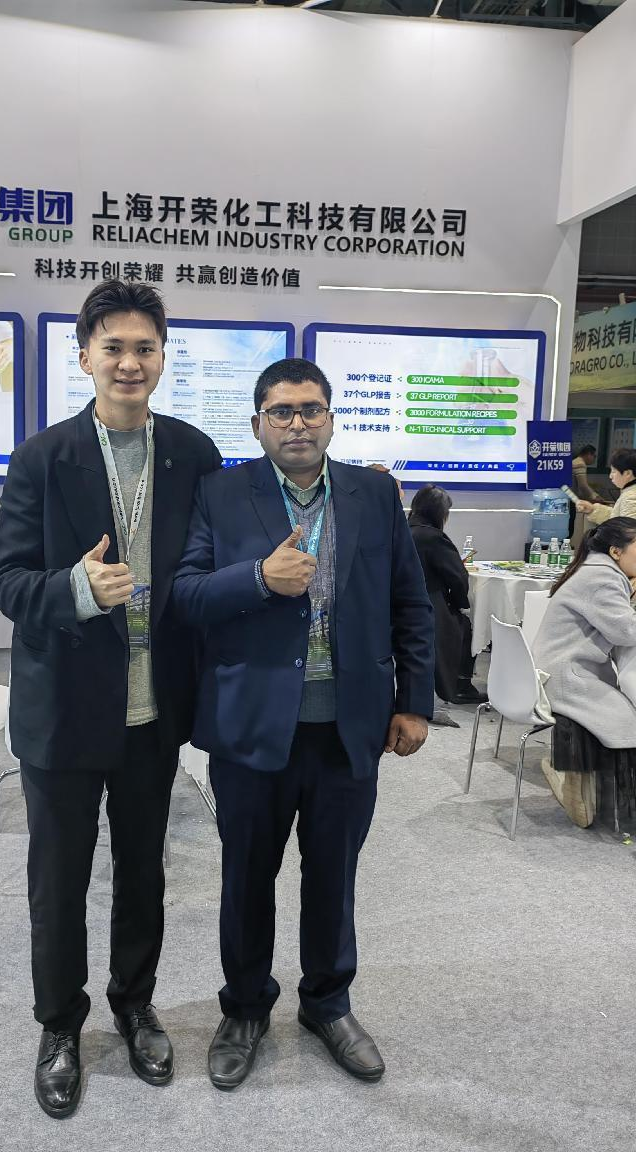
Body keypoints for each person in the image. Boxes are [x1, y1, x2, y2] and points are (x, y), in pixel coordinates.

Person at [0, 281, 222, 1119]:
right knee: (58, 880)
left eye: (144, 348)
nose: (129, 362)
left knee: (143, 872)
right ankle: (60, 1025)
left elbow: (208, 568)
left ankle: (133, 1003)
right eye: (113, 347)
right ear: (84, 355)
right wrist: (76, 590)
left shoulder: (194, 452)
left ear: (162, 357)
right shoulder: (43, 457)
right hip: (64, 709)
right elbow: (7, 582)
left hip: (152, 710)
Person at [172, 357, 434, 1090]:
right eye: (281, 411)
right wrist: (259, 578)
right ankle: (244, 1008)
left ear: (330, 418)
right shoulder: (221, 493)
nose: (297, 423)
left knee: (333, 876)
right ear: (257, 423)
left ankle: (328, 1003)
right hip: (254, 730)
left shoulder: (373, 494)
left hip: (348, 728)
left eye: (311, 409)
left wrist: (414, 701)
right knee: (246, 877)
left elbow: (410, 603)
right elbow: (185, 594)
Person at [532, 518, 636, 826]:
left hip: (561, 670)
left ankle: (581, 784)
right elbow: (626, 632)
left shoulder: (596, 570)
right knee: (628, 721)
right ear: (616, 551)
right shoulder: (602, 578)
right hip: (567, 677)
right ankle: (578, 786)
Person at [407, 485, 487, 706]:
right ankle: (461, 686)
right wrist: (460, 603)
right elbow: (458, 577)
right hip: (428, 606)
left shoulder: (403, 531)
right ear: (439, 512)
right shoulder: (434, 537)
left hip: (400, 606)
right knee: (467, 625)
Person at [576, 447, 636, 525]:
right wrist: (592, 509)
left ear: (628, 473)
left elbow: (628, 529)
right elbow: (617, 517)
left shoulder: (630, 497)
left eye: (614, 471)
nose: (610, 476)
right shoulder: (630, 493)